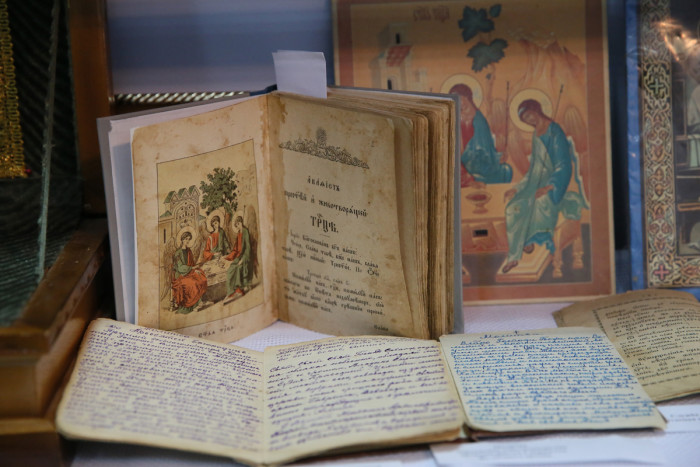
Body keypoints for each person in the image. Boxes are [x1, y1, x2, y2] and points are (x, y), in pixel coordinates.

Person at [501, 98, 587, 274]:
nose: (529, 120)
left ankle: (529, 239)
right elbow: (534, 168)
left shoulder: (555, 131)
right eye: (525, 119)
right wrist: (517, 188)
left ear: (537, 110)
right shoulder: (536, 134)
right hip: (534, 183)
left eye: (529, 115)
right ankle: (514, 256)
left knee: (539, 203)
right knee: (512, 208)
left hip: (554, 183)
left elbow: (563, 164)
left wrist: (550, 187)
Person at [450, 83, 512, 186]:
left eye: (459, 98)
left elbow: (488, 147)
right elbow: (457, 147)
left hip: (483, 162)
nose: (457, 102)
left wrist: (497, 157)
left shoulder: (480, 119)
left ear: (467, 97)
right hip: (466, 162)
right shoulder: (456, 119)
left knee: (506, 170)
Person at [171, 231, 207, 313]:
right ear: (182, 240)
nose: (187, 241)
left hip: (189, 272)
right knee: (193, 283)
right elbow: (180, 267)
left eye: (188, 239)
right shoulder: (177, 253)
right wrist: (192, 268)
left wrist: (195, 269)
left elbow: (192, 263)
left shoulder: (189, 250)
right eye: (185, 239)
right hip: (180, 275)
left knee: (201, 278)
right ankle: (193, 305)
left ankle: (198, 302)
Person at [223, 216, 253, 300]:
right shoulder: (239, 233)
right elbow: (235, 249)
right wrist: (228, 257)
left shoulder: (245, 232)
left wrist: (243, 259)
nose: (237, 227)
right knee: (230, 270)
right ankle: (230, 292)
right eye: (236, 225)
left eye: (238, 224)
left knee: (238, 268)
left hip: (245, 257)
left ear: (241, 223)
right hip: (238, 256)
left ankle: (238, 290)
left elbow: (248, 248)